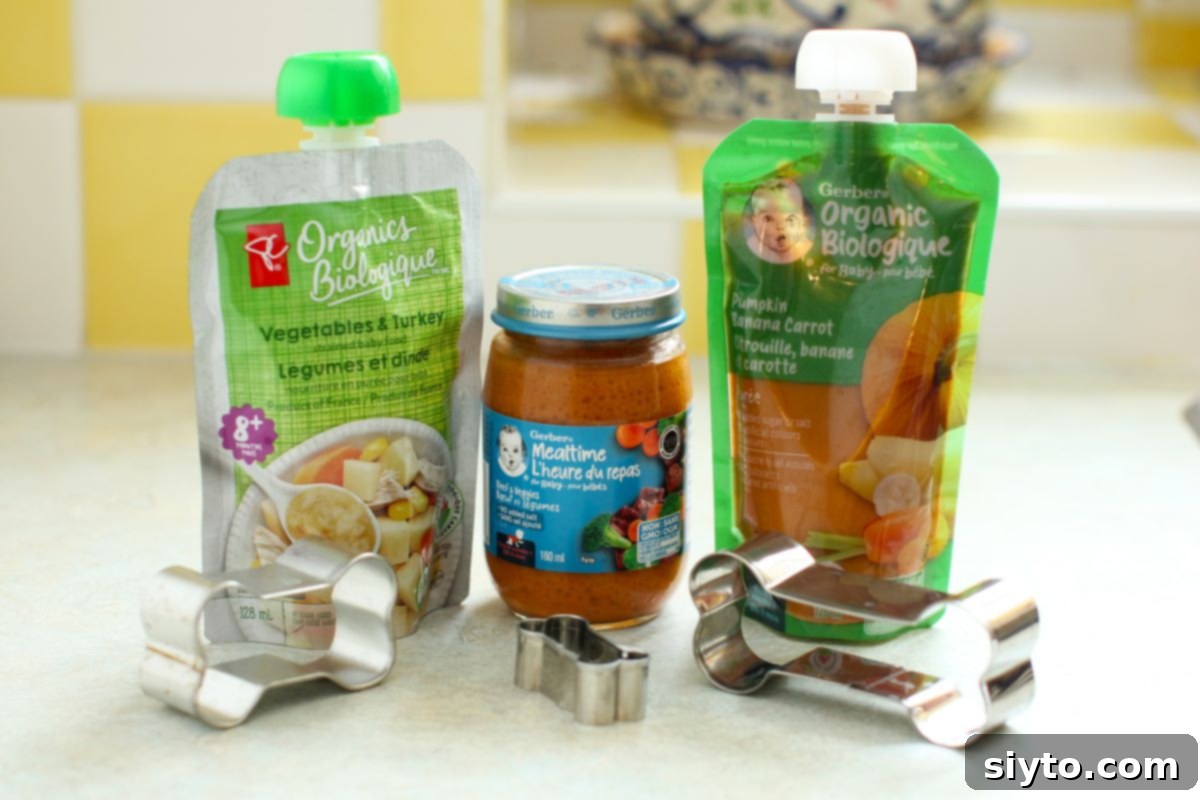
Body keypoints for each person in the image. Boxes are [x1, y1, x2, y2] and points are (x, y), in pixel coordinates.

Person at [746, 179, 813, 264]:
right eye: (768, 219)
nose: (780, 226)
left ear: (804, 222)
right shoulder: (751, 248)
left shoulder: (806, 248)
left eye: (790, 219)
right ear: (754, 222)